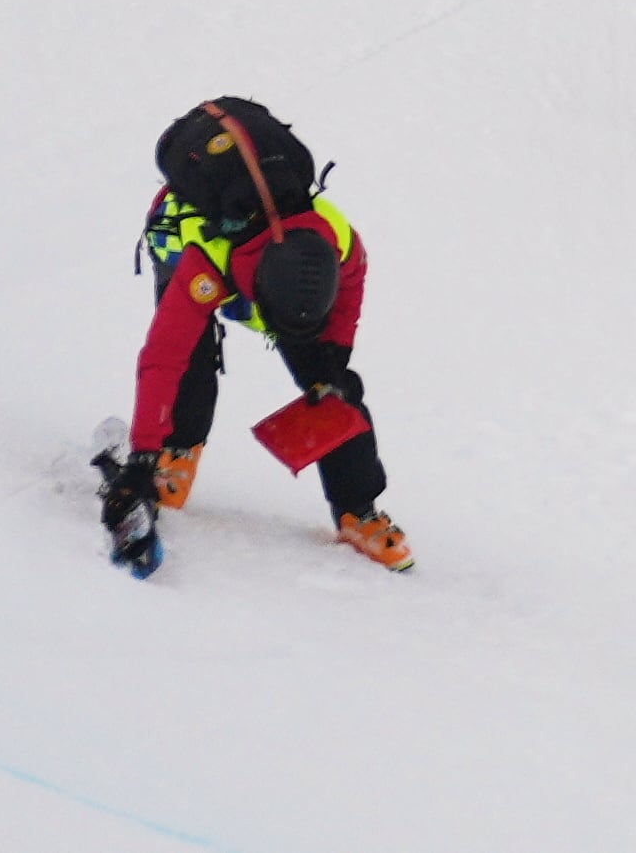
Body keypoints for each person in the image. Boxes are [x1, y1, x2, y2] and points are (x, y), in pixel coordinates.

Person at [97, 97, 412, 576]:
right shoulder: (204, 264)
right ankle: (177, 451)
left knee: (336, 388)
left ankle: (357, 511)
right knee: (194, 356)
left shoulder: (338, 238)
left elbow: (352, 286)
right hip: (181, 243)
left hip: (282, 274)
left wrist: (334, 356)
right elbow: (164, 358)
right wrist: (142, 455)